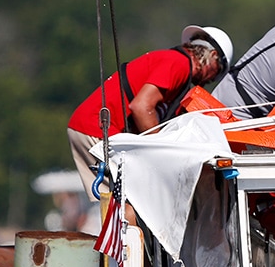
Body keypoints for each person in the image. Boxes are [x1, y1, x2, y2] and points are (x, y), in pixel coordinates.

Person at [68, 25, 233, 200]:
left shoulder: (178, 73)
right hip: (98, 128)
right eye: (218, 72)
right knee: (129, 203)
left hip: (94, 127)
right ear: (213, 56)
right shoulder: (178, 64)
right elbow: (141, 107)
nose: (211, 80)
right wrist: (160, 155)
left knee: (117, 202)